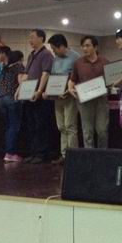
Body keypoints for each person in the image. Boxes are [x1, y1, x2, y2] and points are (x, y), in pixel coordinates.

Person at [68, 36, 109, 149]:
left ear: (95, 47)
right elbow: (72, 80)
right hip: (84, 101)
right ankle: (89, 156)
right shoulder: (78, 63)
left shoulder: (105, 61)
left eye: (87, 46)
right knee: (87, 132)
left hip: (101, 100)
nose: (84, 48)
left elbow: (110, 80)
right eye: (83, 46)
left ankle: (102, 155)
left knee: (102, 131)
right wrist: (70, 88)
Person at [20, 29, 54, 164]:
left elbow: (46, 73)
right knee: (31, 125)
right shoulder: (31, 55)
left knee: (41, 125)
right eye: (29, 38)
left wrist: (39, 90)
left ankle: (41, 153)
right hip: (28, 94)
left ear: (41, 38)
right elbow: (26, 74)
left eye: (33, 37)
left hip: (40, 97)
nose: (30, 40)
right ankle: (33, 152)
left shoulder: (46, 54)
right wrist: (19, 90)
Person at [47, 34, 80, 165]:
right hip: (57, 97)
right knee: (61, 126)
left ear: (61, 46)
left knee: (70, 126)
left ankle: (73, 156)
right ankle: (64, 154)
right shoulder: (55, 59)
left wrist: (68, 89)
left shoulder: (75, 57)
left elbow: (78, 78)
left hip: (70, 96)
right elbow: (53, 77)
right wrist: (53, 92)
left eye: (54, 48)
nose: (53, 51)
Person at [0, 50, 25, 163]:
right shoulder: (19, 66)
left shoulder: (5, 68)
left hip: (2, 98)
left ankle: (7, 151)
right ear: (20, 58)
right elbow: (21, 82)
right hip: (12, 98)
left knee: (8, 125)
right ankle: (10, 153)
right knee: (14, 126)